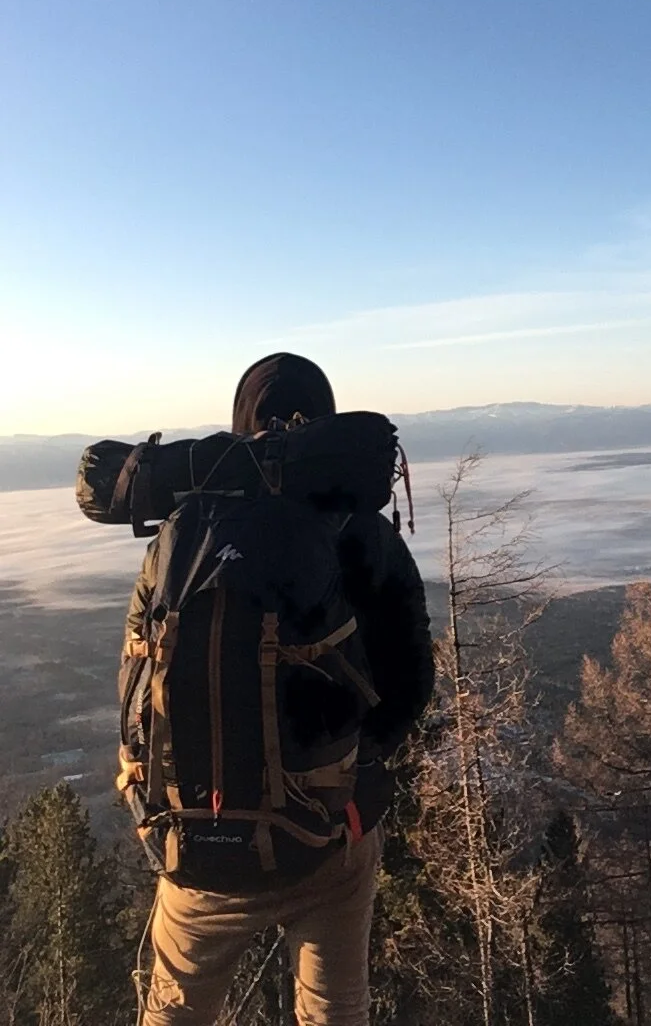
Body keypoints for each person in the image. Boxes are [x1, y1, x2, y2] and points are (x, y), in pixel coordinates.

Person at [129, 353, 435, 1026]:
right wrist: (354, 775)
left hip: (196, 850)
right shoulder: (360, 530)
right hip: (327, 841)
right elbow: (411, 682)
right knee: (334, 1012)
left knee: (175, 1013)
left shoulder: (184, 532)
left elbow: (139, 678)